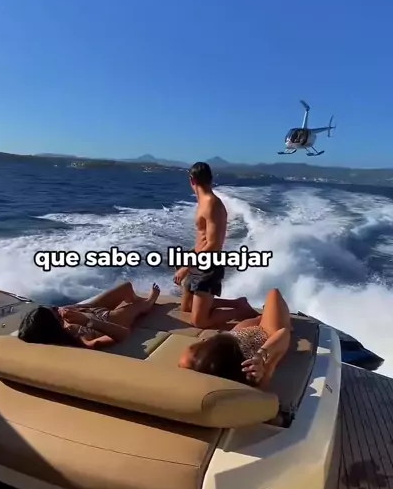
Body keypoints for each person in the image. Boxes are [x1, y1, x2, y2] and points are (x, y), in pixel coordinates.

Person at [173, 162, 258, 329]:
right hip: (197, 259)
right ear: (211, 180)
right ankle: (236, 303)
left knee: (199, 322)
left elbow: (213, 244)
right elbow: (203, 239)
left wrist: (185, 268)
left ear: (192, 180)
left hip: (208, 266)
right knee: (187, 307)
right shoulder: (202, 202)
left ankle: (238, 311)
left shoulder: (212, 204)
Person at [178, 288, 291, 390]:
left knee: (262, 316)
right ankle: (276, 316)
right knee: (273, 294)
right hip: (265, 332)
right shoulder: (251, 372)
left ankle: (263, 314)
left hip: (235, 337)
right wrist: (263, 356)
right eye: (196, 351)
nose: (203, 341)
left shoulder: (216, 357)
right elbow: (284, 333)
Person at [18, 281, 160, 350]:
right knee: (133, 309)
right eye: (55, 312)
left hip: (90, 311)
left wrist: (77, 309)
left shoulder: (63, 328)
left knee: (126, 287)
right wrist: (88, 321)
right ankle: (147, 304)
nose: (57, 310)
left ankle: (135, 299)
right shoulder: (81, 341)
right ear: (53, 326)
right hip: (110, 320)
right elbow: (123, 333)